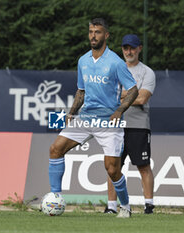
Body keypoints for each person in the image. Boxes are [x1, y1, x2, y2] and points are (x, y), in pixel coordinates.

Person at [48, 18, 138, 218]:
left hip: (108, 121)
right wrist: (71, 113)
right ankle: (55, 198)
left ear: (106, 35)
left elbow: (133, 90)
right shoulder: (83, 60)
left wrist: (119, 111)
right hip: (85, 118)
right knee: (55, 149)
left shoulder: (116, 62)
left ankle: (125, 206)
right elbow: (81, 91)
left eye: (97, 32)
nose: (93, 36)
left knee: (112, 169)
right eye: (90, 32)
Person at [104, 34, 156, 214]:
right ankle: (111, 206)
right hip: (115, 125)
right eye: (126, 48)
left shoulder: (147, 72)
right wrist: (130, 93)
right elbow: (106, 96)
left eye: (132, 48)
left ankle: (149, 205)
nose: (129, 51)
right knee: (113, 167)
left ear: (140, 48)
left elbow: (142, 98)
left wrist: (121, 95)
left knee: (143, 165)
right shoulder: (113, 69)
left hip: (138, 124)